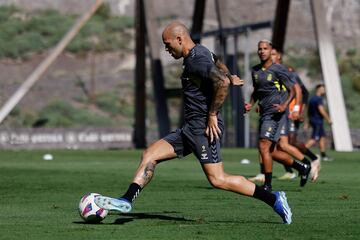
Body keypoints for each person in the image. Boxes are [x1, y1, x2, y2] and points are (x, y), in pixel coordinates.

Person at [94, 21, 292, 224]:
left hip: (204, 130)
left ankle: (275, 198)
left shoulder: (194, 61)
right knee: (150, 154)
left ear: (180, 39)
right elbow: (217, 63)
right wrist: (229, 75)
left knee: (218, 179)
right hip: (189, 128)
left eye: (168, 44)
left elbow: (220, 82)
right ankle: (126, 200)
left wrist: (213, 113)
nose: (167, 49)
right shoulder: (201, 51)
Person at [245, 40, 311, 192]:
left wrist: (285, 106)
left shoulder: (279, 69)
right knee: (272, 151)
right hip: (264, 112)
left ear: (271, 51)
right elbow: (257, 91)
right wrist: (251, 104)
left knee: (263, 146)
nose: (262, 51)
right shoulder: (255, 70)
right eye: (259, 49)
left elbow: (293, 90)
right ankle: (302, 167)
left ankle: (267, 185)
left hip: (276, 113)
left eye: (265, 49)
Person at [271, 48, 321, 182]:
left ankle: (310, 162)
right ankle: (299, 167)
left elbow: (302, 91)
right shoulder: (266, 72)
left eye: (273, 53)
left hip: (290, 113)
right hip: (276, 112)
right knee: (275, 146)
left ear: (279, 56)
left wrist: (298, 109)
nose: (269, 56)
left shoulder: (288, 72)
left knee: (286, 143)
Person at [305, 84, 332, 161]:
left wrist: (308, 122)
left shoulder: (312, 99)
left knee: (322, 137)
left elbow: (309, 112)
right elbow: (321, 110)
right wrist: (328, 119)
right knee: (314, 138)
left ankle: (323, 156)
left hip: (315, 120)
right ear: (318, 89)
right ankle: (300, 151)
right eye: (323, 89)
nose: (324, 91)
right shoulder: (318, 99)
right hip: (317, 122)